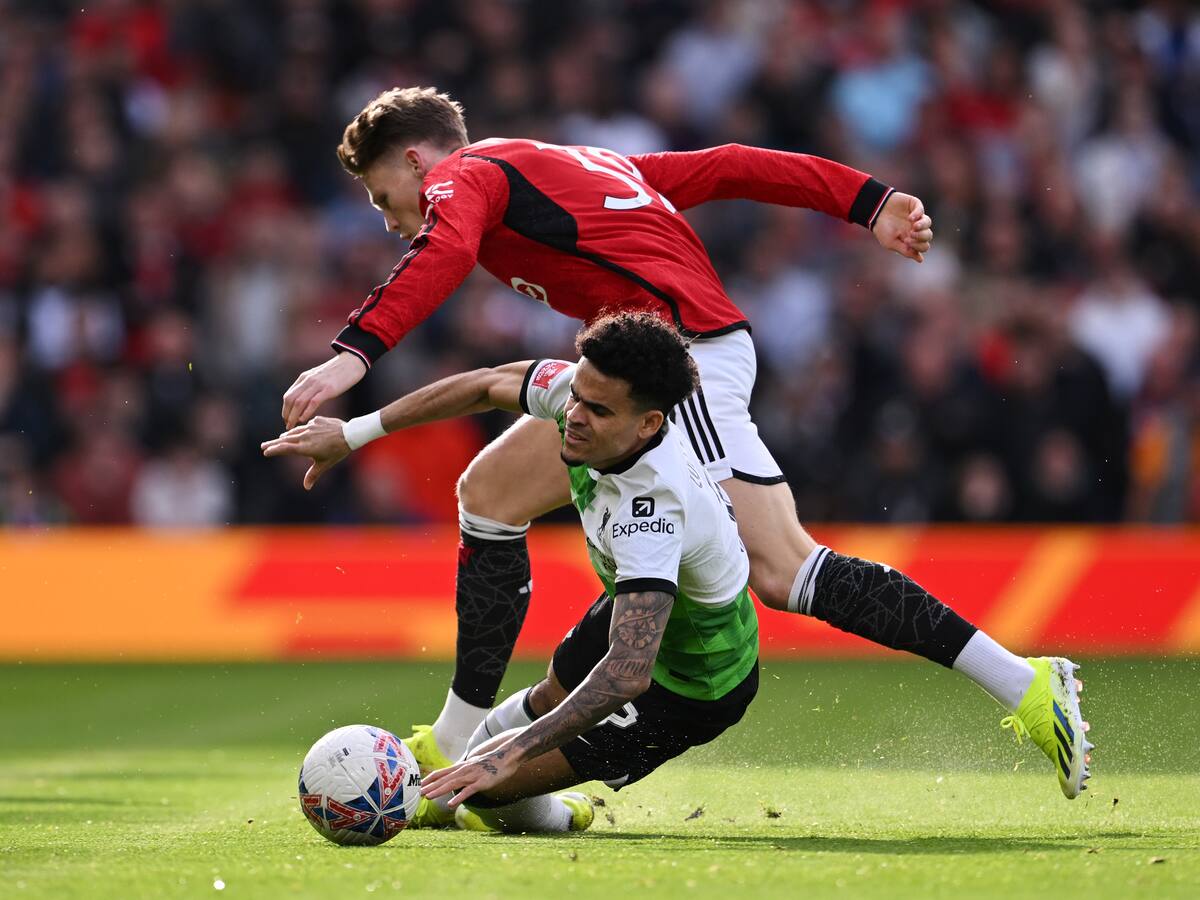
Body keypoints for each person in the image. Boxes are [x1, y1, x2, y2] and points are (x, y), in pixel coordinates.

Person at [276, 87, 1092, 800]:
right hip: (628, 369)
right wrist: (868, 201)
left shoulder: (466, 177)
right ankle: (452, 738)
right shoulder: (583, 166)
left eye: (388, 199)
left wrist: (353, 355)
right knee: (488, 494)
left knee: (784, 569)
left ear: (418, 161)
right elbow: (733, 164)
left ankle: (1024, 686)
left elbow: (443, 250)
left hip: (680, 366)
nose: (393, 222)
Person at [266, 313, 762, 832]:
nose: (574, 415)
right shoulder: (584, 395)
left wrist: (514, 754)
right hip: (636, 607)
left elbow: (627, 673)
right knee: (510, 729)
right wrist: (352, 433)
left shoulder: (652, 510)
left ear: (648, 424)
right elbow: (484, 385)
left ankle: (565, 816)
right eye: (577, 395)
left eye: (597, 409)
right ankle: (482, 771)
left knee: (487, 786)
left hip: (695, 679)